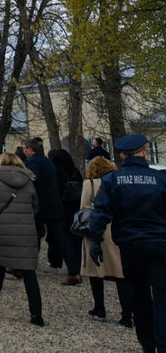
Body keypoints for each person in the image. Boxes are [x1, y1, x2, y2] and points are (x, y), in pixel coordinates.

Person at [88, 133, 166, 353]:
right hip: (160, 242)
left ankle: (148, 345)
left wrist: (95, 239)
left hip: (131, 245)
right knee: (163, 297)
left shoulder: (112, 180)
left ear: (121, 155)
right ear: (143, 152)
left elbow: (101, 212)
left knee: (140, 297)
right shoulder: (161, 179)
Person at [0, 152, 44, 327]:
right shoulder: (29, 182)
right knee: (29, 273)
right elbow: (35, 207)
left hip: (2, 231)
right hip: (26, 232)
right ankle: (36, 315)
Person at [79, 155, 133, 327]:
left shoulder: (89, 184)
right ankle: (126, 315)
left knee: (96, 271)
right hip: (115, 229)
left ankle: (99, 307)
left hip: (95, 227)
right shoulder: (119, 183)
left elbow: (84, 207)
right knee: (120, 272)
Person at [23, 137, 81, 285]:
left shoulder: (33, 162)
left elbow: (32, 179)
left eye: (25, 149)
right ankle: (74, 271)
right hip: (54, 205)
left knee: (33, 237)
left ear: (30, 150)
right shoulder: (48, 162)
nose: (24, 152)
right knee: (62, 238)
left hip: (40, 206)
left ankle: (25, 268)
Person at [50, 147, 83, 279]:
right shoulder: (75, 171)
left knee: (64, 238)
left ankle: (73, 269)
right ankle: (79, 265)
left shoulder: (56, 172)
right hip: (76, 207)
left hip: (62, 207)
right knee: (76, 238)